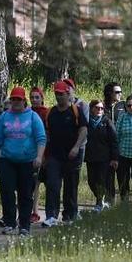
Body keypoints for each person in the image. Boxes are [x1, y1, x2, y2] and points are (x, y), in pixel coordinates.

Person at [0, 87, 46, 236]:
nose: (15, 102)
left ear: (24, 101)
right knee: (6, 190)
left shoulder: (33, 117)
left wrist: (39, 157)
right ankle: (9, 222)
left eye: (18, 99)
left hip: (27, 161)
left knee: (25, 193)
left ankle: (24, 225)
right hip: (7, 159)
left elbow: (41, 138)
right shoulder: (4, 117)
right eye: (13, 99)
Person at [43, 81, 88, 227]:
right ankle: (51, 216)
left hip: (72, 156)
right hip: (54, 155)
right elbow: (46, 134)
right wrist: (44, 155)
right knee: (52, 185)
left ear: (67, 94)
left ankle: (70, 215)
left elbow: (83, 130)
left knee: (71, 186)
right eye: (56, 94)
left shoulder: (76, 111)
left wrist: (76, 147)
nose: (58, 97)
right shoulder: (51, 112)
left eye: (61, 94)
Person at [85, 100, 119, 212]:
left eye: (101, 108)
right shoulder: (86, 122)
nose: (99, 110)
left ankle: (100, 202)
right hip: (91, 157)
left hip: (105, 158)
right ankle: (100, 199)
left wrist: (115, 158)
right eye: (97, 107)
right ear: (91, 109)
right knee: (91, 181)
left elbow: (114, 141)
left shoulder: (107, 122)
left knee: (102, 180)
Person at [29, 87, 49, 224]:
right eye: (32, 97)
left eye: (37, 97)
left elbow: (48, 133)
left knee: (49, 183)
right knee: (33, 184)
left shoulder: (47, 113)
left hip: (46, 151)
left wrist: (45, 154)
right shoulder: (27, 113)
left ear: (42, 98)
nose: (35, 100)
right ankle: (34, 212)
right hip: (31, 152)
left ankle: (50, 213)